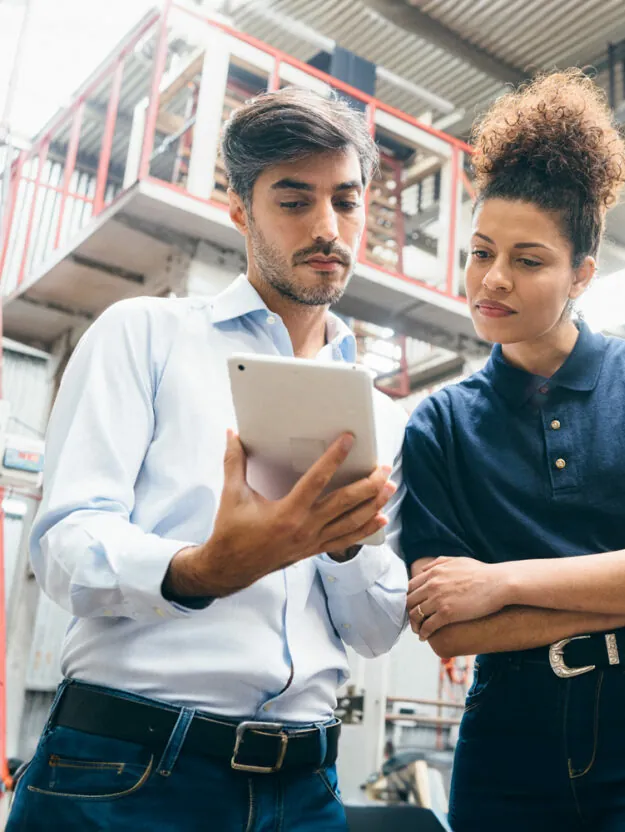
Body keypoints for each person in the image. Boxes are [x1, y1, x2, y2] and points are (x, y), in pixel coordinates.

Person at [9, 88, 409, 832]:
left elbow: (376, 631)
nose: (328, 228)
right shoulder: (146, 336)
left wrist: (348, 548)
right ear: (239, 209)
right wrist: (200, 571)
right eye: (294, 201)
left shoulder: (382, 417)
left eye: (346, 202)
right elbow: (64, 548)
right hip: (128, 774)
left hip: (304, 791)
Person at [400, 70, 625, 832]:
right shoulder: (439, 425)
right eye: (480, 252)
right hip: (508, 738)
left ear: (581, 275)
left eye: (529, 261)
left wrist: (504, 584)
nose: (492, 280)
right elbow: (448, 627)